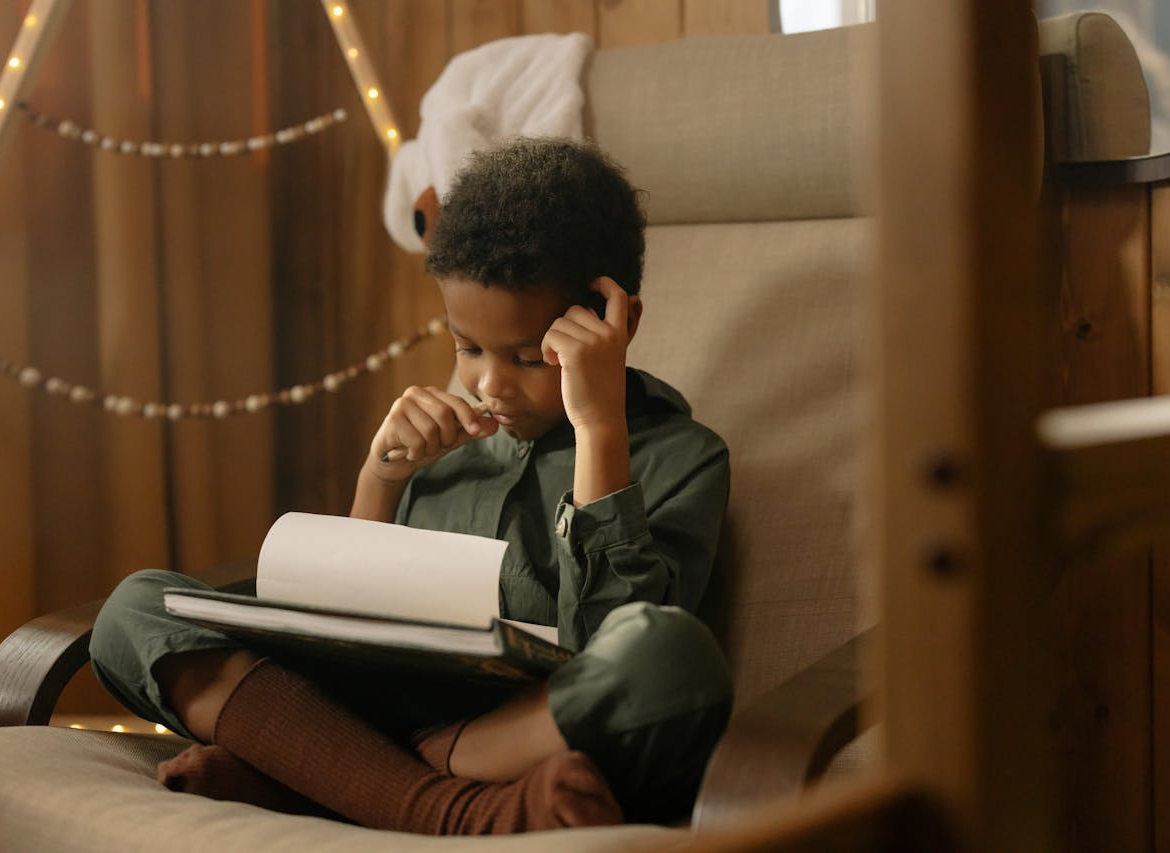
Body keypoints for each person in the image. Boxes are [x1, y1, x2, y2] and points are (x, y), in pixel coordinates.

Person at [89, 137, 734, 835]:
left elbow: (606, 642)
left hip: (532, 730)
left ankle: (327, 777)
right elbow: (342, 633)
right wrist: (382, 479)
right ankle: (450, 808)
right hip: (393, 714)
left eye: (527, 356)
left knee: (671, 655)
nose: (489, 383)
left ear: (617, 323)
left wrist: (598, 426)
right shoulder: (447, 447)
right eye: (468, 347)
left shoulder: (683, 456)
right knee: (135, 607)